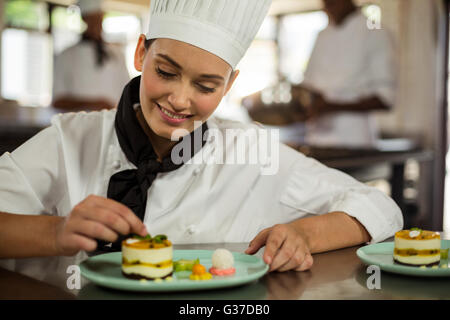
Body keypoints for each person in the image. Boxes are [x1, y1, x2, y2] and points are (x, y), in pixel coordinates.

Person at [0, 0, 402, 285]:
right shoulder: (71, 138)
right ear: (141, 53)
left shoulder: (250, 150)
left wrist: (305, 235)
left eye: (206, 85)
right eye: (166, 71)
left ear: (230, 85)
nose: (179, 99)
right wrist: (55, 233)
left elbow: (380, 207)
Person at [296, 0, 396, 148]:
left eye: (332, 2)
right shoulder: (322, 36)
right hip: (316, 138)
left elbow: (385, 99)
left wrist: (330, 106)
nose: (327, 6)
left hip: (354, 140)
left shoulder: (375, 33)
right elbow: (308, 85)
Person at [52, 0, 130, 111]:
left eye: (99, 18)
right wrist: (95, 104)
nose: (96, 23)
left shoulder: (117, 54)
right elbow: (57, 101)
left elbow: (128, 94)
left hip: (112, 125)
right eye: (92, 18)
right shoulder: (66, 56)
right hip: (78, 126)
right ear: (84, 19)